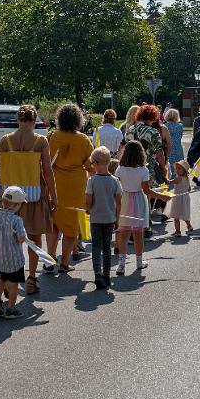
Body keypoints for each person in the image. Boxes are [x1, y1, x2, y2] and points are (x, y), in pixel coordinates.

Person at [0, 106, 55, 295]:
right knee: (34, 237)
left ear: (18, 120)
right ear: (34, 120)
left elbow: (1, 171)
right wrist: (54, 195)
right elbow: (48, 171)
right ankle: (31, 278)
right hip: (34, 195)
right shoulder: (40, 141)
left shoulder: (6, 141)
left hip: (11, 196)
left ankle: (9, 279)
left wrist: (1, 196)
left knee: (11, 239)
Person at [47, 104, 93, 274]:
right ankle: (64, 263)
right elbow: (90, 165)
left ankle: (50, 256)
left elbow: (46, 161)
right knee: (72, 227)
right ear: (78, 120)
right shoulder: (83, 139)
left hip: (55, 184)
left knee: (54, 224)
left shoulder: (52, 136)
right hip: (76, 186)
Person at [0, 187, 31, 319]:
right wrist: (24, 237)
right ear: (17, 205)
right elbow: (20, 238)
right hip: (14, 259)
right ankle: (11, 308)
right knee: (14, 283)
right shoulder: (17, 220)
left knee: (3, 278)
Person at [85, 147, 122, 290]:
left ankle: (98, 274)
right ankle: (107, 275)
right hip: (109, 218)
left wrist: (88, 209)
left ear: (98, 163)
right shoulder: (115, 181)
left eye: (93, 163)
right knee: (107, 247)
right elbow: (118, 202)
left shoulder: (92, 181)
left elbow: (88, 200)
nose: (92, 165)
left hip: (95, 218)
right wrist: (117, 219)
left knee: (96, 246)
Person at [115, 139, 153, 275]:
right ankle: (139, 261)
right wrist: (162, 195)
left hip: (124, 199)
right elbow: (147, 190)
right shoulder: (144, 170)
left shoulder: (120, 168)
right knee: (138, 234)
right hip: (138, 200)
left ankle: (121, 264)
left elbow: (117, 186)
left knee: (123, 234)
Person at [167, 160, 194, 238]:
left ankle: (178, 231)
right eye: (177, 168)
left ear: (184, 170)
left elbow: (171, 182)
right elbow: (189, 189)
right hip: (185, 198)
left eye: (179, 168)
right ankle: (189, 226)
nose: (177, 170)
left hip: (178, 198)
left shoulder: (179, 178)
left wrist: (166, 180)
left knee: (176, 216)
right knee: (185, 214)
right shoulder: (186, 178)